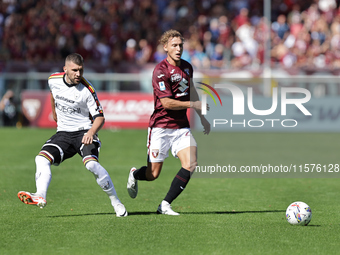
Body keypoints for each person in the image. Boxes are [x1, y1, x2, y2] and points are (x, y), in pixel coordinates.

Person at [17, 53, 127, 217]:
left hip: (84, 132)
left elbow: (100, 117)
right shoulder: (53, 80)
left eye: (81, 70)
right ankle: (40, 195)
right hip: (63, 133)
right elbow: (53, 94)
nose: (78, 74)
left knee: (91, 165)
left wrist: (91, 133)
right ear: (65, 69)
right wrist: (54, 111)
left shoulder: (87, 90)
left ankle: (116, 202)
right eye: (74, 70)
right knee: (40, 159)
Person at [127, 30, 210, 215]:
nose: (178, 48)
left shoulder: (188, 67)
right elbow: (166, 103)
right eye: (174, 45)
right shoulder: (160, 71)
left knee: (191, 163)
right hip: (161, 127)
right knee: (153, 174)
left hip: (181, 127)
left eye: (180, 45)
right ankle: (134, 174)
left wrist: (202, 117)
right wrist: (192, 104)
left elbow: (191, 92)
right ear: (166, 47)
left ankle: (164, 204)